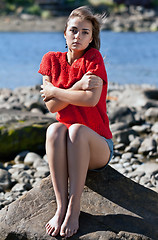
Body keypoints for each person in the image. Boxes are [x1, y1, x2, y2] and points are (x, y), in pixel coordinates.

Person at [38, 6, 113, 238]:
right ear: (64, 33)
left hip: (97, 145)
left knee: (78, 131)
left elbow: (90, 100)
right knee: (54, 129)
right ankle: (60, 206)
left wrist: (56, 90)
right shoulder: (51, 60)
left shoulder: (94, 59)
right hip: (65, 143)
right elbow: (51, 107)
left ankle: (74, 207)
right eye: (73, 30)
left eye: (85, 32)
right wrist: (76, 87)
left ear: (92, 38)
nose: (78, 36)